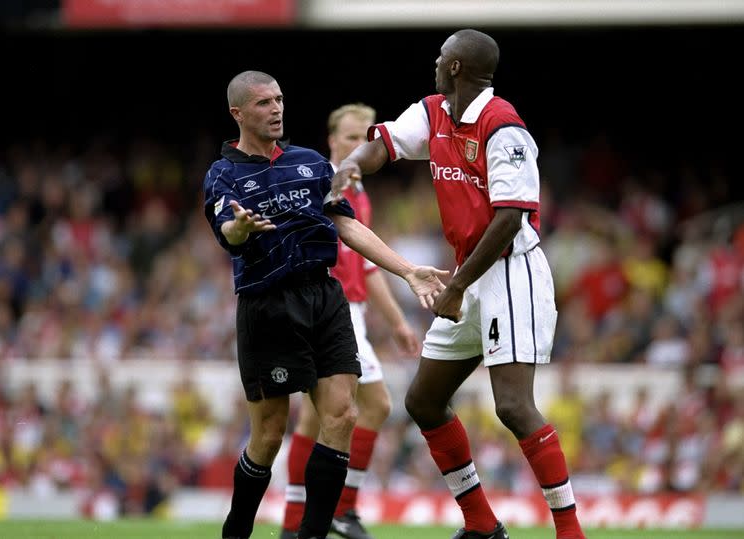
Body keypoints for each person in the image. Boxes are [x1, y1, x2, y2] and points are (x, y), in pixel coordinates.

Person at [331, 30, 587, 539]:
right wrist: (349, 170)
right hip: (468, 274)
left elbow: (511, 217)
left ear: (454, 67)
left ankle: (570, 530)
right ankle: (481, 524)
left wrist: (454, 287)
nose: (435, 61)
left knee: (513, 406)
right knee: (424, 401)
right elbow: (383, 145)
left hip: (510, 272)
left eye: (441, 56)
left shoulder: (503, 126)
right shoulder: (434, 112)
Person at [203, 70, 448, 539]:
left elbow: (348, 227)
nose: (275, 109)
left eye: (279, 100)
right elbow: (227, 233)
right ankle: (236, 530)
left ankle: (313, 534)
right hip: (266, 304)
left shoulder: (310, 162)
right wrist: (240, 230)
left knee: (344, 415)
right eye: (262, 104)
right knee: (270, 434)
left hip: (324, 296)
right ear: (237, 113)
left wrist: (407, 270)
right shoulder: (223, 174)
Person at [280, 104, 421, 539]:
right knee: (374, 405)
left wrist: (397, 321)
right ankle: (343, 508)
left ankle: (292, 525)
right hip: (329, 311)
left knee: (311, 420)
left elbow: (368, 267)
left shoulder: (359, 194)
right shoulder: (322, 183)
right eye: (349, 137)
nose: (359, 145)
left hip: (348, 310)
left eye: (366, 138)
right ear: (331, 140)